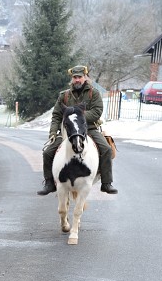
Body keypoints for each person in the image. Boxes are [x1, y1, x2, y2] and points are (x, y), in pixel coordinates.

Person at [37, 65, 118, 196]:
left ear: (85, 77)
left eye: (79, 77)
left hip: (89, 129)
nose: (77, 80)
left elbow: (97, 112)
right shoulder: (64, 96)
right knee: (47, 152)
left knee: (106, 149)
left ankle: (106, 183)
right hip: (67, 131)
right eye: (75, 77)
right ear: (72, 79)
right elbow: (56, 116)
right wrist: (53, 132)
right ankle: (49, 183)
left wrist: (76, 116)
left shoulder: (94, 93)